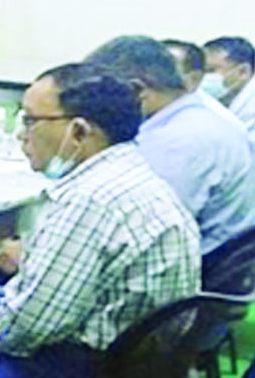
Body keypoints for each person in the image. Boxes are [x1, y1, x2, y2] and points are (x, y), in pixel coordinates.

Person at [0, 64, 200, 378]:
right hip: (132, 375)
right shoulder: (131, 177)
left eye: (30, 121)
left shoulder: (90, 199)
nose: (21, 135)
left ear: (79, 131)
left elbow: (30, 327)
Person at [87, 36, 255, 260]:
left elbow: (144, 227)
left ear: (137, 89)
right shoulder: (190, 114)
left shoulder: (182, 139)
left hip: (204, 264)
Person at [203, 35, 255, 137]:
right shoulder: (224, 97)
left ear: (243, 72)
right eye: (202, 71)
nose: (203, 77)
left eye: (211, 70)